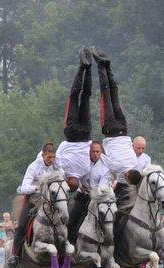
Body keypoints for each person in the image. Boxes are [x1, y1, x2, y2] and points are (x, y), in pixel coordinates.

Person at [93, 51, 139, 212]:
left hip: (123, 129)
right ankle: (100, 65)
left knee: (114, 94)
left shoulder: (135, 162)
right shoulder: (118, 168)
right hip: (111, 131)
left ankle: (108, 66)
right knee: (105, 95)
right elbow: (101, 157)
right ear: (127, 176)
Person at [9, 142, 57, 268]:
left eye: (53, 157)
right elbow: (24, 187)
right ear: (43, 155)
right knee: (21, 226)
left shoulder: (56, 165)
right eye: (48, 157)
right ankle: (15, 255)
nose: (51, 160)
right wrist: (38, 188)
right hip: (33, 198)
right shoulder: (33, 167)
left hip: (51, 199)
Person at [56, 47, 95, 192]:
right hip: (71, 135)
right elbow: (56, 153)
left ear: (77, 182)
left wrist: (84, 186)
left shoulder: (85, 169)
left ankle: (89, 68)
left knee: (85, 97)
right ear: (67, 180)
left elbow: (93, 157)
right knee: (73, 96)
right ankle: (82, 67)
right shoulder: (62, 168)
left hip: (85, 134)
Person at [67, 140, 111, 244]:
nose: (95, 154)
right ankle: (67, 245)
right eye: (93, 151)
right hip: (81, 197)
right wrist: (79, 188)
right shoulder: (82, 162)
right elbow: (74, 178)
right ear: (89, 152)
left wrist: (92, 191)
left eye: (98, 152)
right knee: (70, 220)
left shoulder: (105, 168)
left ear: (101, 152)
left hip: (96, 201)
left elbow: (101, 188)